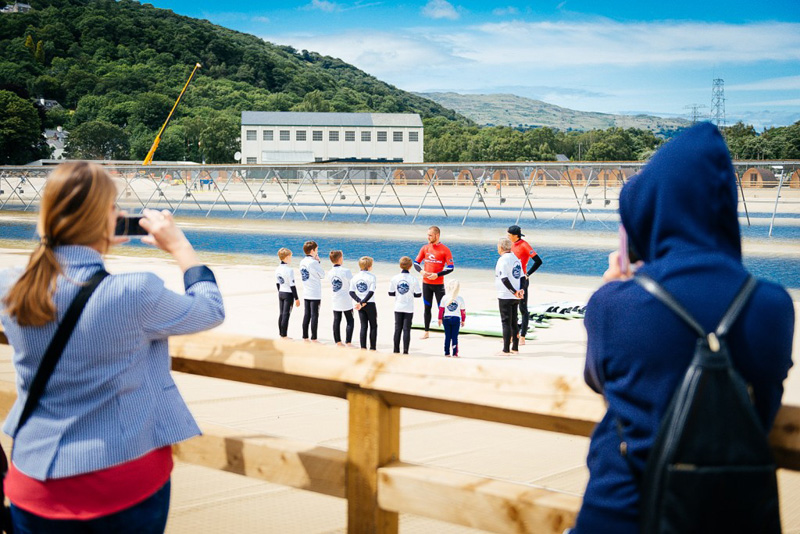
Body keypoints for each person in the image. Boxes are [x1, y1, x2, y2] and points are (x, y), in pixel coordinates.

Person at [572, 123, 794, 534]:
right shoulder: (773, 306)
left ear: (648, 210)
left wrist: (614, 289)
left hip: (621, 513)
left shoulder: (613, 306)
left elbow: (599, 382)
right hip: (735, 517)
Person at [0, 161, 225, 533]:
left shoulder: (12, 284)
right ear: (101, 219)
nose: (121, 215)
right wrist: (181, 248)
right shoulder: (133, 292)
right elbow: (210, 310)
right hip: (121, 482)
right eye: (114, 209)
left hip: (33, 481)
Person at [413, 225, 454, 339]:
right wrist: (421, 272)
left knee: (442, 307)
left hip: (439, 284)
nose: (428, 237)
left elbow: (450, 267)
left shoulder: (445, 249)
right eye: (427, 235)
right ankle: (426, 332)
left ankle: (448, 331)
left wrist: (437, 274)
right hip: (426, 284)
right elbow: (416, 263)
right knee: (427, 308)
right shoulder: (425, 248)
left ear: (437, 235)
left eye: (430, 235)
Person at [507, 225, 543, 345]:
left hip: (522, 280)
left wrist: (528, 274)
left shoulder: (524, 245)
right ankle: (514, 334)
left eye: (509, 235)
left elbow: (538, 261)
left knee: (522, 308)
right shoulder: (510, 244)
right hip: (512, 279)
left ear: (515, 235)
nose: (507, 236)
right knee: (512, 307)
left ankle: (522, 336)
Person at [494, 237, 524, 355]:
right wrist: (520, 290)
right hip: (515, 295)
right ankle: (515, 348)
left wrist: (514, 291)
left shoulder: (503, 260)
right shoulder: (515, 258)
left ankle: (506, 349)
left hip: (506, 295)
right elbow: (522, 276)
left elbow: (504, 278)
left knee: (506, 322)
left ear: (501, 247)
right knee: (514, 321)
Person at [388, 256, 422, 354]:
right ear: (410, 266)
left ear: (400, 266)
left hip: (398, 306)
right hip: (408, 307)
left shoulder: (395, 278)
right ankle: (406, 351)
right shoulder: (413, 279)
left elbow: (390, 293)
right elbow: (418, 294)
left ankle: (396, 350)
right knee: (407, 329)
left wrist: (399, 293)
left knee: (397, 328)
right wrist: (410, 293)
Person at [326, 250, 354, 347]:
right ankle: (348, 342)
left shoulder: (330, 272)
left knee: (337, 320)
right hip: (346, 299)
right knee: (350, 320)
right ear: (340, 258)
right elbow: (352, 284)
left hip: (336, 298)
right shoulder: (346, 271)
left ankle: (338, 342)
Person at [350, 256, 378, 351]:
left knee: (363, 325)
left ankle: (363, 348)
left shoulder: (355, 277)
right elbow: (371, 292)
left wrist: (359, 301)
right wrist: (363, 302)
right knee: (373, 325)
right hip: (369, 303)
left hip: (360, 305)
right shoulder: (372, 276)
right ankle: (373, 348)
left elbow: (351, 292)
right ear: (370, 266)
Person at [299, 240, 325, 342]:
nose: (317, 251)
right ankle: (314, 337)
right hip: (314, 292)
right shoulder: (313, 262)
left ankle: (305, 336)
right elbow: (322, 275)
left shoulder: (302, 261)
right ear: (312, 250)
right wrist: (318, 261)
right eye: (316, 250)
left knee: (307, 314)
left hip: (306, 291)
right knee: (314, 315)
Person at [276, 247, 300, 338]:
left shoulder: (277, 269)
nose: (291, 259)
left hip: (281, 293)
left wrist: (280, 293)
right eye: (290, 257)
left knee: (281, 314)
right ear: (286, 257)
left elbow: (277, 284)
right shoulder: (289, 270)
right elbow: (292, 285)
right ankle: (284, 335)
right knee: (286, 314)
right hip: (288, 294)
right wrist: (296, 298)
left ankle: (281, 334)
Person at [437, 279, 465, 357]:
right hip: (456, 319)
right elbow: (463, 311)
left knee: (447, 336)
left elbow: (441, 309)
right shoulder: (460, 298)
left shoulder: (444, 297)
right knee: (454, 337)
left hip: (446, 319)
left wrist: (439, 319)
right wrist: (463, 320)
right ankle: (455, 353)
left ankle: (447, 352)